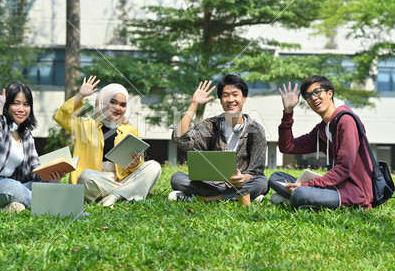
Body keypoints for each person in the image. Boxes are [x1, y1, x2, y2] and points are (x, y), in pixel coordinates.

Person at [54, 75, 161, 207]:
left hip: (121, 178)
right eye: (113, 102)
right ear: (103, 102)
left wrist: (135, 164)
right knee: (85, 176)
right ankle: (129, 193)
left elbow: (138, 164)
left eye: (123, 105)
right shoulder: (86, 126)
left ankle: (114, 196)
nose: (118, 108)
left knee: (154, 167)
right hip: (97, 179)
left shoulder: (131, 130)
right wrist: (81, 95)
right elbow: (60, 117)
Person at [269, 75, 373, 209]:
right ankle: (302, 199)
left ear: (330, 93)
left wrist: (307, 186)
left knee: (301, 192)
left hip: (353, 192)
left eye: (317, 92)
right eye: (308, 96)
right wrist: (288, 112)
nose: (313, 98)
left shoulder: (346, 121)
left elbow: (344, 167)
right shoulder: (321, 130)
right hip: (334, 187)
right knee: (276, 177)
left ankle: (299, 199)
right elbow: (287, 147)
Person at [0, 81, 63, 212]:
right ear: (7, 104)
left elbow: (35, 167)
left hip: (16, 186)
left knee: (51, 184)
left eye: (26, 104)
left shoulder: (26, 135)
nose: (21, 109)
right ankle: (55, 208)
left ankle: (8, 208)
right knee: (12, 187)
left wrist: (49, 175)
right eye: (16, 103)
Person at [169, 74, 269, 203]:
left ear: (244, 98)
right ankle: (241, 197)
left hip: (240, 184)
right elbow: (180, 138)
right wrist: (194, 105)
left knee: (262, 182)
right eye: (225, 95)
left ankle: (207, 199)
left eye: (235, 94)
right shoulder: (210, 125)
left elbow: (256, 170)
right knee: (177, 178)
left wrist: (243, 179)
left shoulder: (256, 130)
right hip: (211, 182)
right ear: (221, 100)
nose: (230, 99)